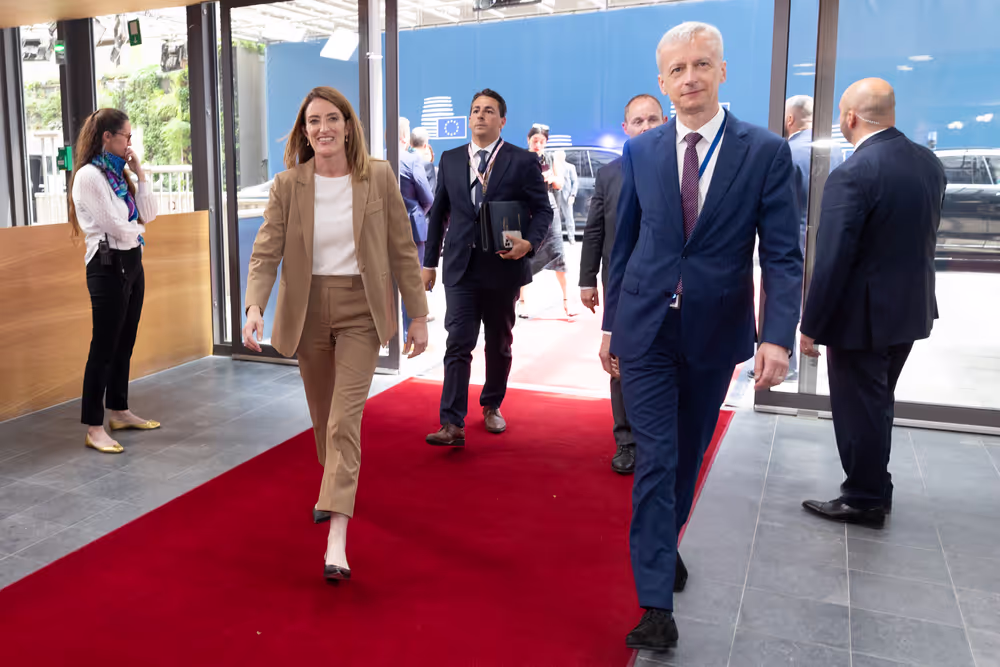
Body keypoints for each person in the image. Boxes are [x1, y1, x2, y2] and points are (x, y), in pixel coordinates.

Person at [601, 22, 801, 650]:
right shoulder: (642, 151)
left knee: (688, 456)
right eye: (678, 69)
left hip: (715, 328)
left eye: (701, 65)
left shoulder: (763, 151)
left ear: (721, 72)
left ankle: (665, 542)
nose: (690, 78)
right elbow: (623, 244)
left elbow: (783, 254)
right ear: (663, 82)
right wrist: (610, 324)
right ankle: (655, 604)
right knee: (657, 457)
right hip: (647, 329)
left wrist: (777, 335)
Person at [243, 86, 429, 582]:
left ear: (348, 126)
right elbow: (266, 251)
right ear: (304, 132)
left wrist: (417, 314)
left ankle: (337, 538)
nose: (322, 128)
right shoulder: (288, 185)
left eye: (331, 119)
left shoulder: (379, 176)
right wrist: (255, 306)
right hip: (307, 313)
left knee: (345, 420)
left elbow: (401, 249)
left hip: (361, 311)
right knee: (324, 419)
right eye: (313, 121)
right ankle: (335, 486)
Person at [800, 78, 946, 528]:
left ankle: (863, 498)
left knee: (858, 410)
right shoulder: (928, 162)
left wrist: (810, 325)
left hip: (860, 319)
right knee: (878, 402)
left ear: (850, 118)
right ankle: (877, 487)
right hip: (909, 309)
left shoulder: (854, 173)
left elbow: (833, 259)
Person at [422, 89, 552, 447]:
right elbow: (438, 214)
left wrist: (529, 243)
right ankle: (452, 422)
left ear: (502, 120)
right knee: (458, 342)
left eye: (489, 111)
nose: (480, 115)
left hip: (502, 266)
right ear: (469, 118)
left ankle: (492, 403)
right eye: (476, 110)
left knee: (498, 342)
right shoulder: (450, 159)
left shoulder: (521, 160)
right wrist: (429, 262)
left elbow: (543, 210)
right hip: (461, 267)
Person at [580, 93, 665, 475]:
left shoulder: (683, 171)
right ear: (625, 128)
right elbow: (594, 231)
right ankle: (626, 441)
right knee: (620, 362)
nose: (645, 127)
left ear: (665, 123)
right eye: (638, 121)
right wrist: (587, 280)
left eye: (652, 120)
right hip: (622, 285)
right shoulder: (609, 174)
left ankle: (659, 442)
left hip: (668, 287)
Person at [69, 109, 160, 455]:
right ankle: (94, 427)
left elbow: (148, 214)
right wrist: (138, 230)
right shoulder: (89, 176)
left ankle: (119, 411)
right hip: (107, 266)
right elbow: (113, 225)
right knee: (103, 347)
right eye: (126, 137)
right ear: (107, 137)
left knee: (125, 342)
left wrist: (140, 174)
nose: (129, 144)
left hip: (132, 262)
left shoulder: (118, 175)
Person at [520, 125, 575, 318]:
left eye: (542, 142)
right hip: (528, 209)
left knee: (558, 253)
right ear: (528, 139)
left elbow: (559, 183)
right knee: (526, 256)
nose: (538, 144)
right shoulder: (520, 158)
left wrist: (549, 178)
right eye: (535, 140)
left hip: (550, 208)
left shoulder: (550, 158)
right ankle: (523, 303)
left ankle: (567, 301)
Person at [398, 117, 435, 339]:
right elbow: (428, 197)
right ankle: (408, 334)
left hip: (382, 229)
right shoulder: (411, 160)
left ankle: (390, 335)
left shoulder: (376, 158)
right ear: (405, 137)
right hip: (412, 228)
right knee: (412, 282)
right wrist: (417, 212)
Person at [554, 150, 577, 244]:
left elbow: (575, 182)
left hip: (566, 195)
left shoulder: (570, 167)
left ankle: (571, 237)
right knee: (555, 217)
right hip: (555, 194)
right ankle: (557, 237)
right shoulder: (553, 166)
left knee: (569, 217)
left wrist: (572, 195)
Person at [410, 126, 437, 193]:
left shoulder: (403, 162)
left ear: (411, 144)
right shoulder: (427, 166)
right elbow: (430, 194)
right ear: (425, 145)